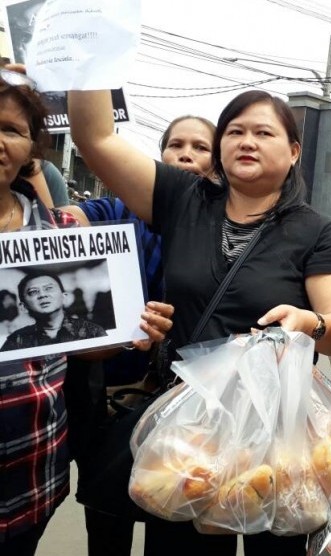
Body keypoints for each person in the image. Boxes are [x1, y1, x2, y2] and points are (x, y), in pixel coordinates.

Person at [68, 84, 331, 555]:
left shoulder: (314, 230)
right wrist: (87, 58)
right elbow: (95, 138)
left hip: (279, 439)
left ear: (294, 151)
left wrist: (311, 321)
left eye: (264, 132)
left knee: (274, 547)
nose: (247, 141)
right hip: (190, 433)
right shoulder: (183, 198)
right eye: (235, 131)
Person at [0, 67, 173, 556]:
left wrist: (129, 330)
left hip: (30, 475)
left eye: (11, 129)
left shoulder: (56, 232)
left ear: (32, 147)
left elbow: (85, 348)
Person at [60, 114, 216, 556]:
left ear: (216, 162)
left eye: (200, 147)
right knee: (107, 526)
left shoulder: (225, 225)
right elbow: (65, 221)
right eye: (176, 145)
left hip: (189, 411)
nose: (186, 154)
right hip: (113, 398)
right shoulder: (116, 211)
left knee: (174, 528)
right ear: (160, 156)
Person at [0, 271, 106, 351]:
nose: (42, 295)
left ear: (64, 297)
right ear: (23, 306)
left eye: (49, 288)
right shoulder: (16, 342)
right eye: (33, 292)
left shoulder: (93, 332)